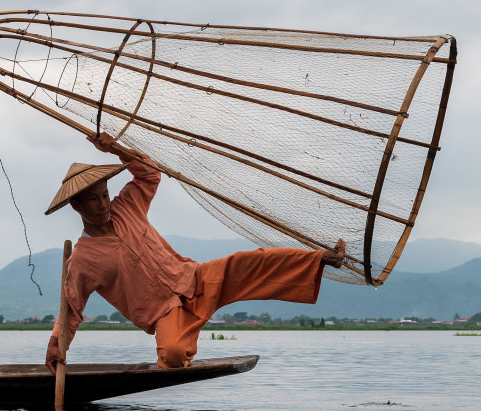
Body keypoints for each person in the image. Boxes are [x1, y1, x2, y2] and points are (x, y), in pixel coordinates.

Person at [44, 132, 346, 373]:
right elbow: (70, 309)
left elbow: (150, 174)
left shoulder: (127, 207)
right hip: (164, 312)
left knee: (252, 262)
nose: (103, 204)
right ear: (77, 206)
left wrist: (117, 149)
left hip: (193, 277)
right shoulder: (83, 260)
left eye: (105, 195)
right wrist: (57, 348)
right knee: (173, 356)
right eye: (94, 200)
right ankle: (185, 343)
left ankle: (323, 257)